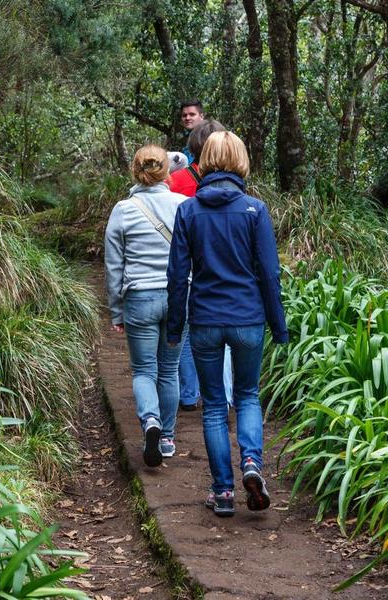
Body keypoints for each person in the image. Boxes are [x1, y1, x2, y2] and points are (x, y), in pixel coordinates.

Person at [166, 131, 288, 517]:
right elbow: (270, 274)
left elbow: (176, 276)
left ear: (204, 161)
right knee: (248, 395)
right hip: (248, 317)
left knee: (215, 405)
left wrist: (174, 327)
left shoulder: (187, 211)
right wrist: (278, 325)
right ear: (239, 160)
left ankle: (222, 492)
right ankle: (251, 463)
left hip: (204, 319)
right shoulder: (255, 210)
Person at [105, 145, 186, 468]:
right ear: (167, 171)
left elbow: (114, 264)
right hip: (180, 296)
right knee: (169, 369)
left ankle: (150, 420)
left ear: (135, 170)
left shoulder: (123, 210)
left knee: (143, 370)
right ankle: (166, 437)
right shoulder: (184, 205)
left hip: (140, 297)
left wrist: (116, 309)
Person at [168, 119, 233, 411]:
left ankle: (189, 393)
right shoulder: (235, 185)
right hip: (221, 263)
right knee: (224, 334)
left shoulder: (177, 180)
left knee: (186, 327)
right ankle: (223, 395)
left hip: (184, 259)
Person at [178, 100, 205, 165]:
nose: (187, 118)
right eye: (184, 115)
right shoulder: (187, 137)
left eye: (192, 114)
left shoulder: (207, 136)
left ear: (201, 116)